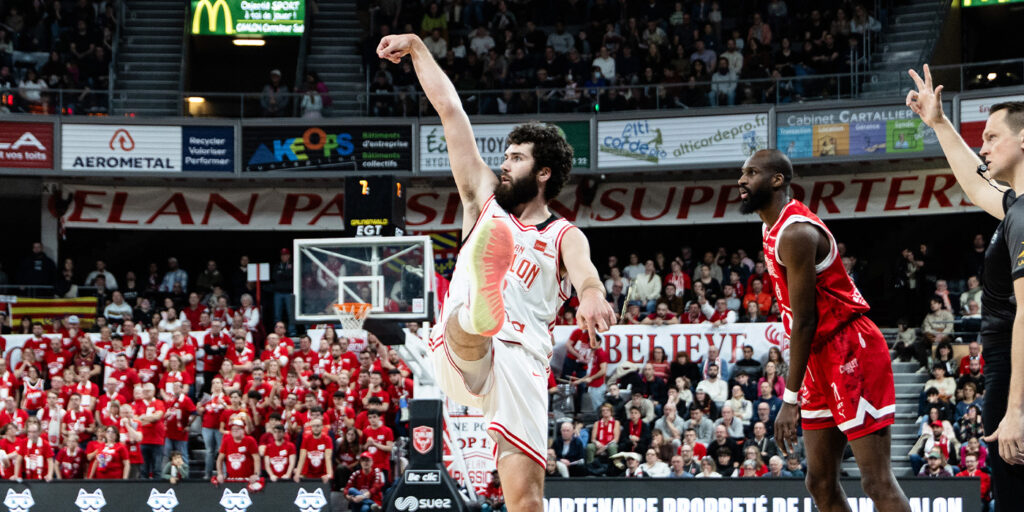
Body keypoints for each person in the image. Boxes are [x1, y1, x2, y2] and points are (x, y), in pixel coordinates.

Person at [378, 32, 615, 511]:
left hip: (524, 361)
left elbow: (586, 275)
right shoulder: (484, 195)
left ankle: (482, 312)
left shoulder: (565, 234)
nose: (504, 164)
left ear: (543, 173)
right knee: (469, 326)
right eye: (505, 156)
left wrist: (591, 294)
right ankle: (479, 311)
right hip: (465, 348)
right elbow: (452, 113)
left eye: (516, 158)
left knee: (526, 499)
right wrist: (418, 47)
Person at [738, 149, 909, 511]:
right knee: (818, 482)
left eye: (751, 172)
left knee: (876, 481)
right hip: (818, 354)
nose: (742, 179)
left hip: (849, 347)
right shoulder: (769, 226)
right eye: (743, 172)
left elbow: (805, 320)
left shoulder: (796, 232)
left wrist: (789, 399)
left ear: (777, 180)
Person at [908, 65, 1024, 510]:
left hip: (1014, 380)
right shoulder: (1015, 207)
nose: (983, 146)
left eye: (992, 137)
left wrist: (1015, 409)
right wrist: (939, 123)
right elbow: (977, 186)